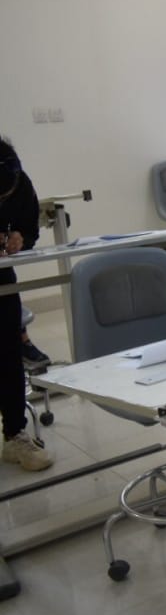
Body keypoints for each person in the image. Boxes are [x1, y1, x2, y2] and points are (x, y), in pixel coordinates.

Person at [0, 137, 52, 471]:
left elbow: (29, 229)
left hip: (1, 277)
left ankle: (15, 435)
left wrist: (20, 238)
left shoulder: (18, 183)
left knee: (7, 351)